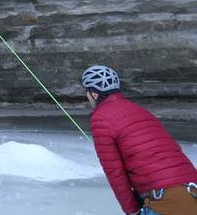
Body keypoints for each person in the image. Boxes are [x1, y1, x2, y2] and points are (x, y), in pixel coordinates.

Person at [81, 65, 197, 215]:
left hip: (165, 199)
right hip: (192, 190)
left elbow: (115, 173)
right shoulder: (140, 110)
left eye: (87, 92)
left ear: (94, 94)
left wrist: (132, 210)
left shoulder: (101, 118)